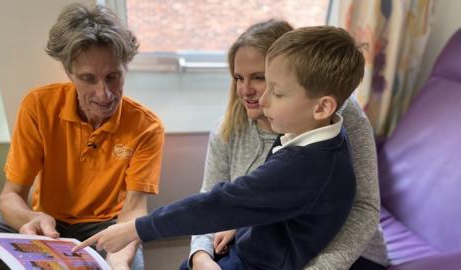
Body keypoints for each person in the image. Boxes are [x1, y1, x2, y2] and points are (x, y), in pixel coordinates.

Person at [75, 25, 367, 269]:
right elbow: (258, 201)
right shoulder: (315, 134)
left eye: (274, 91)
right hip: (248, 244)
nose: (262, 100)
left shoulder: (306, 164)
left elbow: (223, 202)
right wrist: (233, 229)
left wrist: (136, 229)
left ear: (322, 107)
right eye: (240, 78)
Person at [187, 20, 388, 270]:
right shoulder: (228, 129)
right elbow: (210, 199)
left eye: (259, 78)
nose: (246, 90)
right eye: (238, 78)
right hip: (266, 245)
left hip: (346, 254)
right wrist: (201, 257)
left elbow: (364, 207)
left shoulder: (341, 115)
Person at [0, 3, 164, 270]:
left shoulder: (147, 126)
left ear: (126, 68)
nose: (104, 94)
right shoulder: (38, 106)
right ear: (69, 73)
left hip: (107, 228)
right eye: (88, 79)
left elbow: (134, 210)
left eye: (113, 77)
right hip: (48, 224)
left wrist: (120, 261)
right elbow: (10, 196)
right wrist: (29, 219)